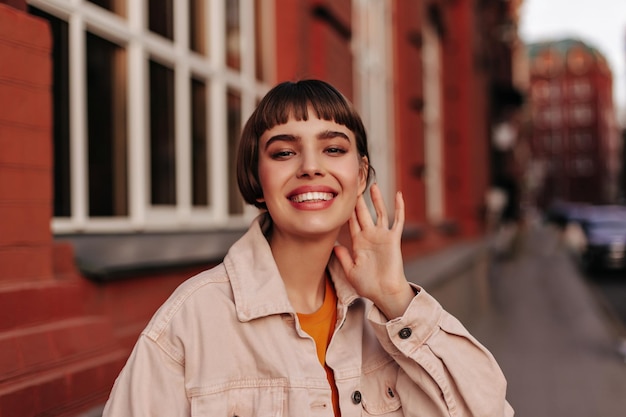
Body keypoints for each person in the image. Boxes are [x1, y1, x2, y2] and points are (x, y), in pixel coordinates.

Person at [103, 79, 514, 416]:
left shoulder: (384, 316)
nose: (311, 166)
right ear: (256, 179)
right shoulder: (190, 322)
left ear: (360, 175)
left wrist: (396, 299)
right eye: (284, 152)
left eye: (334, 149)